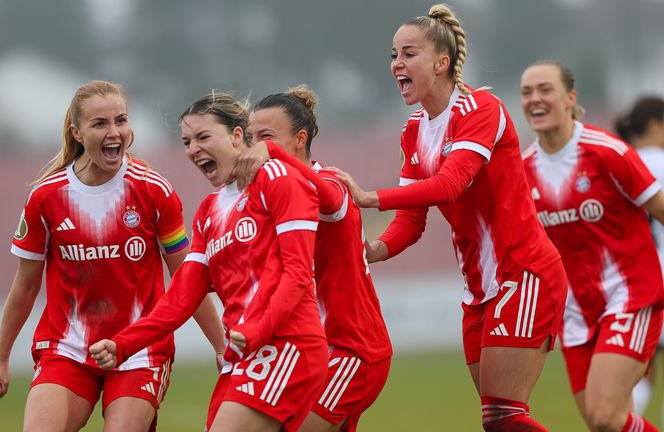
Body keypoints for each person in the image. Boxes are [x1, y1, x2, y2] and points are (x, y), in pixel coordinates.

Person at [334, 4, 568, 431]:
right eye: (393, 55)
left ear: (442, 63)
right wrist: (371, 251)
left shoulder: (482, 109)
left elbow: (450, 184)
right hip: (478, 290)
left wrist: (369, 198)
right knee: (498, 421)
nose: (396, 65)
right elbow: (412, 218)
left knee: (504, 414)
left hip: (525, 271)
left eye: (408, 54)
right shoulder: (413, 131)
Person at [0, 80, 225, 432]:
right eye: (100, 124)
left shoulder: (153, 189)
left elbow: (189, 279)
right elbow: (25, 287)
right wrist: (0, 360)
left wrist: (220, 347)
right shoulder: (46, 197)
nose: (115, 132)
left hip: (139, 351)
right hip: (66, 349)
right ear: (77, 133)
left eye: (121, 120)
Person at [88, 91, 329, 432]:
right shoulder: (207, 212)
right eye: (187, 141)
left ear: (236, 135)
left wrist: (258, 330)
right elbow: (181, 298)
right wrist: (123, 343)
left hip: (288, 345)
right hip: (243, 356)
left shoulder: (277, 178)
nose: (193, 149)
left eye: (203, 137)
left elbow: (299, 273)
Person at [233, 85, 393, 432]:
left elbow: (331, 200)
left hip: (352, 352)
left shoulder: (329, 181)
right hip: (317, 352)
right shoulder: (273, 196)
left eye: (267, 136)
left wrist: (273, 151)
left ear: (299, 139)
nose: (257, 145)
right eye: (253, 137)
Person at [520, 61, 664, 432]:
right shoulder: (522, 170)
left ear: (570, 97)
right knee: (606, 426)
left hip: (630, 297)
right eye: (527, 92)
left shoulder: (607, 151)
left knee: (604, 417)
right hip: (575, 315)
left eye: (545, 89)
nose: (535, 99)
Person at [617, 97, 664, 420]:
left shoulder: (620, 160)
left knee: (641, 367)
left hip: (631, 277)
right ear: (655, 124)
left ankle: (618, 423)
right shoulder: (660, 161)